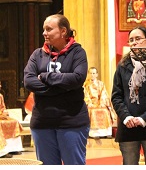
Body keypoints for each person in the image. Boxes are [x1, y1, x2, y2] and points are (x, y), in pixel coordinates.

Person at [24, 14, 89, 165]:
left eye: (49, 29)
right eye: (43, 29)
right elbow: (28, 81)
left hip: (71, 122)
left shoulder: (78, 53)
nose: (44, 33)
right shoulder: (37, 55)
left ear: (63, 31)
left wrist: (46, 76)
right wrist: (62, 87)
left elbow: (77, 79)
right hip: (42, 123)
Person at [111, 26, 146, 165]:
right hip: (128, 126)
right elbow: (116, 96)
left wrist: (144, 118)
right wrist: (126, 117)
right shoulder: (123, 66)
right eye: (131, 40)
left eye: (138, 39)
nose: (134, 43)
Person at [84, 67, 117, 138]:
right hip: (91, 104)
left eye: (94, 73)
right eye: (91, 73)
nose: (92, 75)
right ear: (88, 74)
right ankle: (95, 133)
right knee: (92, 111)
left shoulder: (101, 84)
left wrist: (102, 102)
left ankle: (106, 132)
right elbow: (85, 95)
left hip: (100, 103)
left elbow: (104, 94)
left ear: (96, 74)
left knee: (105, 110)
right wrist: (90, 103)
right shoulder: (86, 84)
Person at [0, 81, 24, 158]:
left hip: (1, 116)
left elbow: (3, 107)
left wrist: (4, 112)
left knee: (14, 122)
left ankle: (14, 148)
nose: (0, 86)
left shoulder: (0, 96)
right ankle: (2, 151)